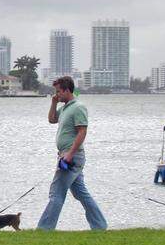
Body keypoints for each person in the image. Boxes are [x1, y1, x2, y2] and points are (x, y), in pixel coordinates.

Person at [36, 76, 107, 230]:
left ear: (67, 90)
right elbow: (52, 119)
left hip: (71, 157)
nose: (56, 94)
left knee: (56, 193)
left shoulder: (78, 107)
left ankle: (44, 229)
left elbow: (82, 132)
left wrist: (69, 155)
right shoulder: (66, 107)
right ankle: (100, 226)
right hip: (66, 155)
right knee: (81, 193)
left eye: (58, 92)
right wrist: (54, 102)